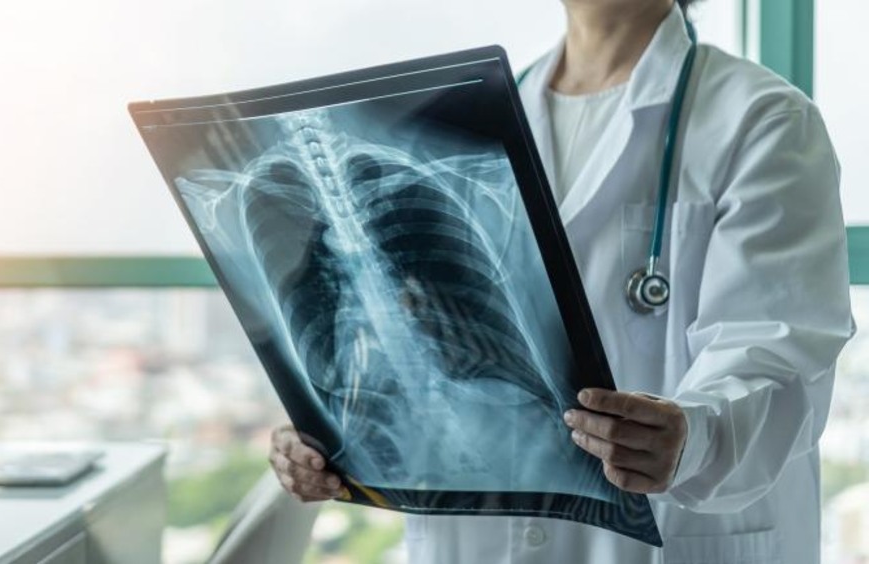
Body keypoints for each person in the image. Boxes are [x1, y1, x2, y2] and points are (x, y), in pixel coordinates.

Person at [268, 0, 855, 562]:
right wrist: (333, 431)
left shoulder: (761, 121)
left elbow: (777, 356)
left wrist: (694, 437)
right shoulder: (470, 127)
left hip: (672, 540)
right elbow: (422, 354)